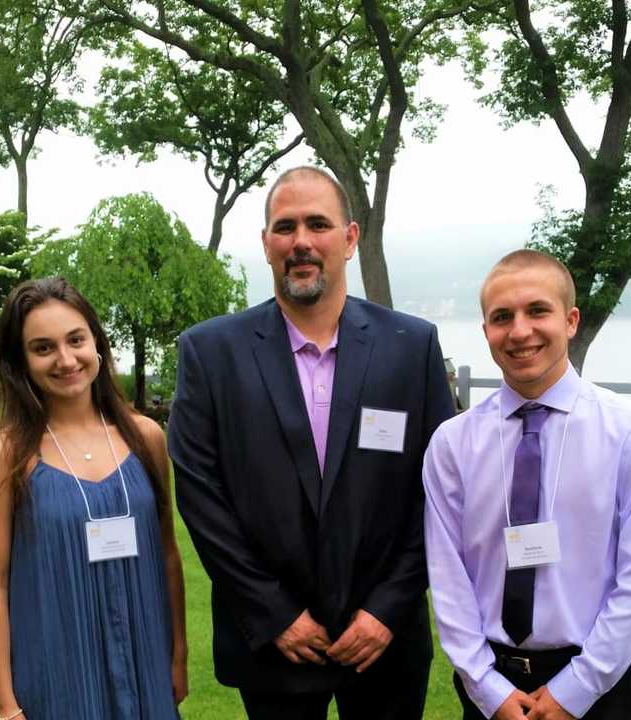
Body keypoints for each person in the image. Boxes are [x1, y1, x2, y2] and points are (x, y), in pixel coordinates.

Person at [168, 165, 455, 719]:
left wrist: (388, 609)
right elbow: (203, 498)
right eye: (285, 227)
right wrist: (273, 613)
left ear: (350, 239)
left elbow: (441, 494)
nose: (300, 241)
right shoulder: (211, 353)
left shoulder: (411, 347)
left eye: (318, 224)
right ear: (266, 244)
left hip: (383, 645)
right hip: (274, 643)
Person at [423, 249, 631, 720]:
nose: (520, 331)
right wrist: (485, 687)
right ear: (486, 333)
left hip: (602, 688)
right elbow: (447, 575)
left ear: (571, 320)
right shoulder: (451, 445)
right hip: (492, 689)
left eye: (537, 310)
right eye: (502, 317)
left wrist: (577, 689)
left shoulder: (630, 434)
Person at [0, 278, 188, 720]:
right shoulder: (3, 456)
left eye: (76, 340)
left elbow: (166, 552)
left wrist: (177, 653)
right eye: (43, 348)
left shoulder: (145, 436)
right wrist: (7, 705)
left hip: (144, 659)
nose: (66, 360)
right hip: (57, 670)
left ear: (97, 343)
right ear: (21, 362)